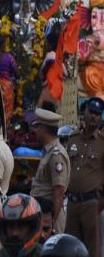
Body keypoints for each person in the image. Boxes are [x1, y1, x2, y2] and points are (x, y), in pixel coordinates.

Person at [65, 97, 104, 256]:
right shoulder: (73, 138)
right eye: (91, 112)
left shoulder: (102, 143)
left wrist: (102, 201)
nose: (94, 116)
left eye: (97, 113)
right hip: (72, 202)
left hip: (91, 203)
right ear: (84, 112)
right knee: (70, 248)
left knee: (92, 249)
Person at [29, 108, 70, 234]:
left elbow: (58, 192)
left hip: (49, 218)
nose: (35, 131)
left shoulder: (56, 155)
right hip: (42, 215)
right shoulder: (49, 152)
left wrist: (51, 223)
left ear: (43, 129)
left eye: (37, 127)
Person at [0, 35, 19, 127]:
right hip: (7, 87)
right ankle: (5, 130)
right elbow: (17, 73)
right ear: (3, 45)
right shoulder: (9, 57)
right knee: (7, 110)